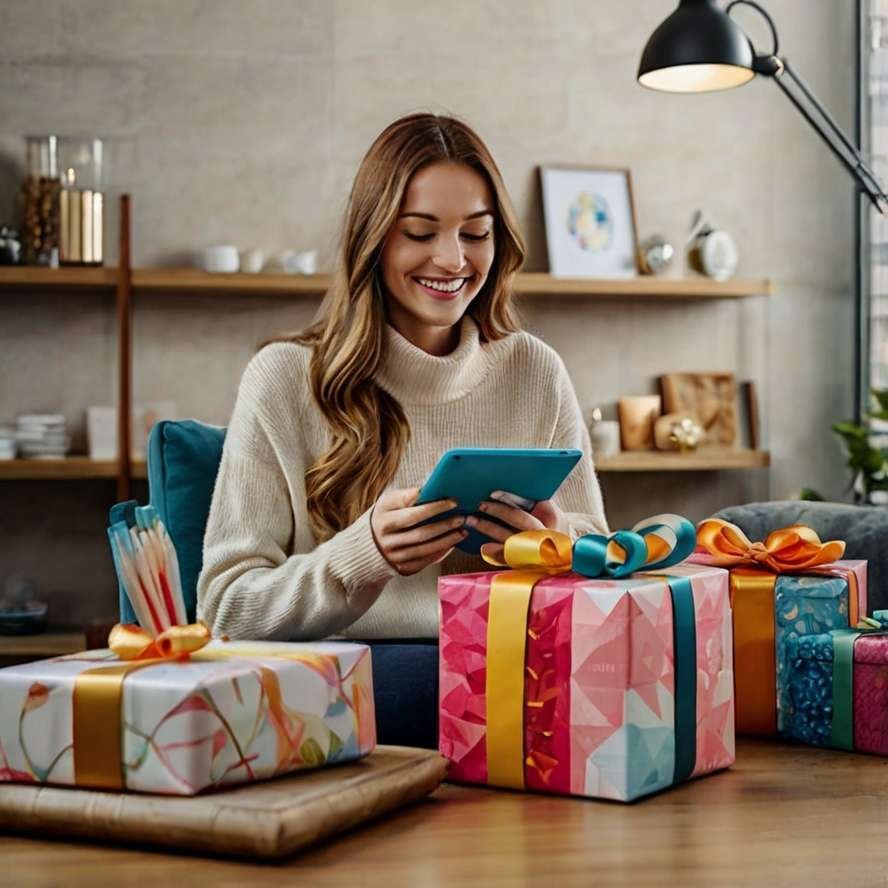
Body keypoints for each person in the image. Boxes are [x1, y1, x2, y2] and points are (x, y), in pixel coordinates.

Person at [196, 112, 608, 746]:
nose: (452, 259)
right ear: (374, 239)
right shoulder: (284, 378)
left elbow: (600, 561)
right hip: (349, 694)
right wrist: (361, 559)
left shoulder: (534, 369)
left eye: (476, 234)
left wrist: (550, 544)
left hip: (509, 683)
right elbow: (225, 609)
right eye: (420, 232)